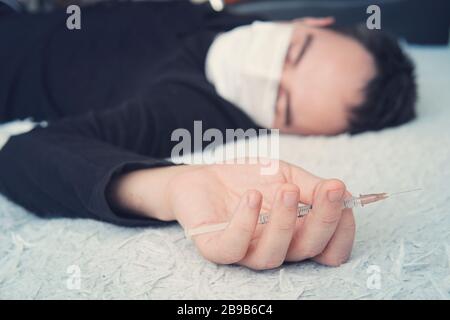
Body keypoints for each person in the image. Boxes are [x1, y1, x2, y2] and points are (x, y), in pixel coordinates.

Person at [0, 1, 416, 270]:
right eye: (293, 52)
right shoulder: (236, 19)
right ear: (312, 21)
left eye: (281, 105)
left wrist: (172, 185)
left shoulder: (183, 111)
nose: (263, 72)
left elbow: (25, 155)